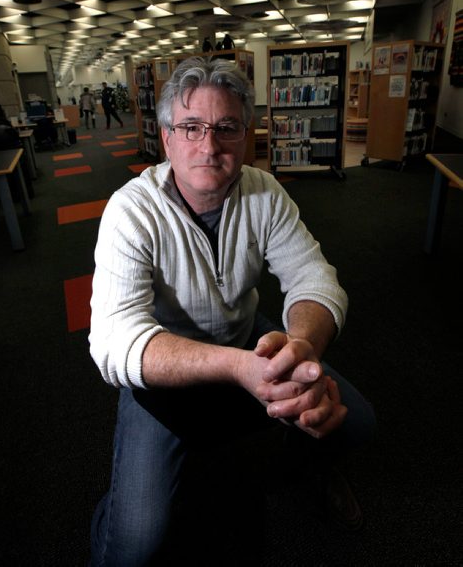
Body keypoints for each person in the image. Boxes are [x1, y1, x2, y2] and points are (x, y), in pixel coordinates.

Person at [89, 57, 375, 565]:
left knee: (356, 423)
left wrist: (304, 346)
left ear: (246, 136)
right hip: (162, 367)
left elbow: (314, 279)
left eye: (226, 128)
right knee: (136, 543)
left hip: (248, 338)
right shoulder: (130, 210)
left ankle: (307, 463)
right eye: (191, 127)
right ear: (166, 136)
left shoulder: (265, 192)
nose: (210, 145)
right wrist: (237, 367)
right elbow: (114, 343)